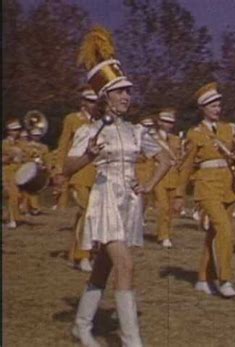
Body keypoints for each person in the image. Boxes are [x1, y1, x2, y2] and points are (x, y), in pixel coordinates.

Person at [67, 26, 172, 347]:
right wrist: (88, 155)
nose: (126, 96)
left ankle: (82, 326)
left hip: (129, 201)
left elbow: (167, 160)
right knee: (125, 264)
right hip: (105, 199)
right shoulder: (91, 130)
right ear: (105, 97)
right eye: (119, 91)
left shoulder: (137, 131)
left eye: (128, 91)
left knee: (103, 267)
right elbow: (67, 167)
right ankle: (131, 341)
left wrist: (148, 185)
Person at [174, 82, 235, 298]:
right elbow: (185, 166)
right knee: (224, 230)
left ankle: (203, 277)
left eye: (219, 105)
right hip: (207, 187)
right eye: (212, 106)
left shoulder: (229, 129)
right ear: (203, 108)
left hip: (228, 185)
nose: (217, 109)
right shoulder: (195, 134)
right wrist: (179, 194)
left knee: (215, 233)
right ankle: (225, 280)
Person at [55, 86, 99, 272]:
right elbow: (63, 144)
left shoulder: (100, 121)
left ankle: (73, 253)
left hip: (95, 172)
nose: (93, 104)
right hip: (77, 171)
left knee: (85, 215)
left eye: (96, 101)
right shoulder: (72, 119)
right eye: (90, 101)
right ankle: (83, 256)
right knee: (86, 210)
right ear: (83, 102)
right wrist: (59, 170)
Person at [150, 108, 181, 248]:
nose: (169, 124)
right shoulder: (152, 137)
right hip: (159, 175)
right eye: (165, 121)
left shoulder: (176, 139)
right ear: (159, 122)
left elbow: (180, 157)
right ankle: (164, 236)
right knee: (163, 206)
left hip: (173, 175)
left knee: (171, 208)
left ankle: (167, 232)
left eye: (171, 122)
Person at [2, 119, 26, 228]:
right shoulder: (4, 143)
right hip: (8, 171)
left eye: (18, 130)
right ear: (9, 131)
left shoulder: (20, 143)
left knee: (18, 195)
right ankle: (11, 219)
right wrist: (10, 157)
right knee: (11, 195)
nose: (16, 132)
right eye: (14, 130)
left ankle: (13, 217)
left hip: (19, 170)